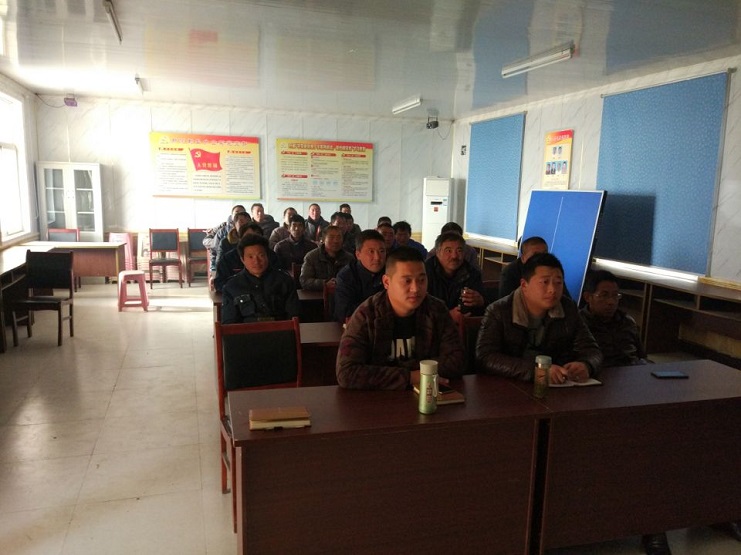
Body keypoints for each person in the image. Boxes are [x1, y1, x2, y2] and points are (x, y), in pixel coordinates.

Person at [581, 270, 670, 555]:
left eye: (615, 296)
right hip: (597, 394)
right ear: (588, 297)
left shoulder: (628, 322)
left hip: (634, 389)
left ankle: (658, 524)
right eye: (604, 295)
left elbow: (640, 357)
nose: (611, 301)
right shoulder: (578, 324)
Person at [336, 246, 464, 390]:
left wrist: (399, 372)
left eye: (422, 280)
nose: (416, 289)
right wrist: (412, 376)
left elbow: (457, 361)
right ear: (386, 282)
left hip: (426, 395)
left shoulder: (436, 310)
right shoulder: (366, 315)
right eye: (407, 281)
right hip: (378, 400)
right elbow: (346, 373)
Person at [476, 252, 602, 382]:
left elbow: (591, 349)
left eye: (558, 283)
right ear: (524, 285)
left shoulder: (568, 308)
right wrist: (537, 371)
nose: (552, 289)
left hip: (558, 384)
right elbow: (486, 357)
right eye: (545, 282)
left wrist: (586, 365)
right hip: (510, 384)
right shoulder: (499, 311)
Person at [221, 234, 299, 324]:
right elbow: (229, 323)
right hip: (246, 332)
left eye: (261, 255)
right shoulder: (232, 286)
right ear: (242, 259)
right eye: (251, 257)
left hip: (281, 330)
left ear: (267, 256)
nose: (256, 261)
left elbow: (294, 315)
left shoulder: (285, 281)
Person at [425, 231, 485, 315]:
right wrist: (447, 316)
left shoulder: (472, 274)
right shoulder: (425, 272)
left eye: (459, 251)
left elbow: (483, 309)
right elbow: (420, 310)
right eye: (448, 251)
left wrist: (481, 302)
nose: (454, 256)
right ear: (438, 253)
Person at [334, 229, 387, 322]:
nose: (377, 257)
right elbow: (345, 313)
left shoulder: (391, 272)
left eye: (382, 251)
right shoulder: (346, 276)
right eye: (371, 251)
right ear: (358, 255)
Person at [214, 223, 283, 292]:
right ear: (240, 239)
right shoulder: (228, 259)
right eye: (248, 237)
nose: (253, 240)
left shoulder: (271, 255)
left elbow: (279, 277)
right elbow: (219, 283)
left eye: (257, 237)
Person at [299, 225, 354, 291]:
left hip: (343, 294)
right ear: (323, 240)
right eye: (331, 237)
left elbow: (356, 280)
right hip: (318, 295)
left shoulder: (349, 258)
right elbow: (304, 281)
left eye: (339, 237)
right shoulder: (311, 257)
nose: (336, 241)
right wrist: (324, 283)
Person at [204, 204, 246, 277]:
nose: (239, 215)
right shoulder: (222, 231)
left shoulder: (251, 231)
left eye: (242, 213)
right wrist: (214, 271)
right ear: (232, 215)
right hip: (225, 266)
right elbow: (214, 251)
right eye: (236, 212)